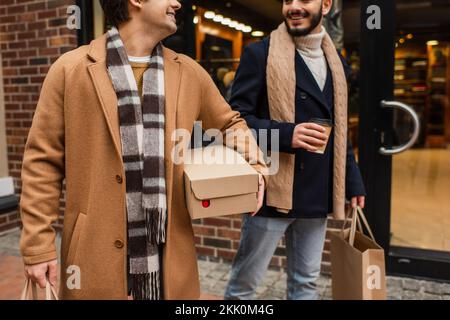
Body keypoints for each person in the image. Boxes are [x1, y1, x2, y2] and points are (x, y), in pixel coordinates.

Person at [20, 0, 267, 300]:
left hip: (168, 260)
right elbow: (41, 162)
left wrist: (256, 165)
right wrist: (37, 246)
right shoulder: (70, 70)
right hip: (92, 255)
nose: (177, 2)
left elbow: (230, 124)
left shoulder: (189, 72)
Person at [225, 0, 366, 300]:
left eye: (304, 0)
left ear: (326, 5)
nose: (294, 7)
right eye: (288, 0)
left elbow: (340, 130)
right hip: (271, 191)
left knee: (305, 284)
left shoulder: (337, 62)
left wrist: (352, 181)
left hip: (317, 192)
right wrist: (288, 134)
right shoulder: (258, 54)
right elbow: (234, 123)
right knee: (243, 288)